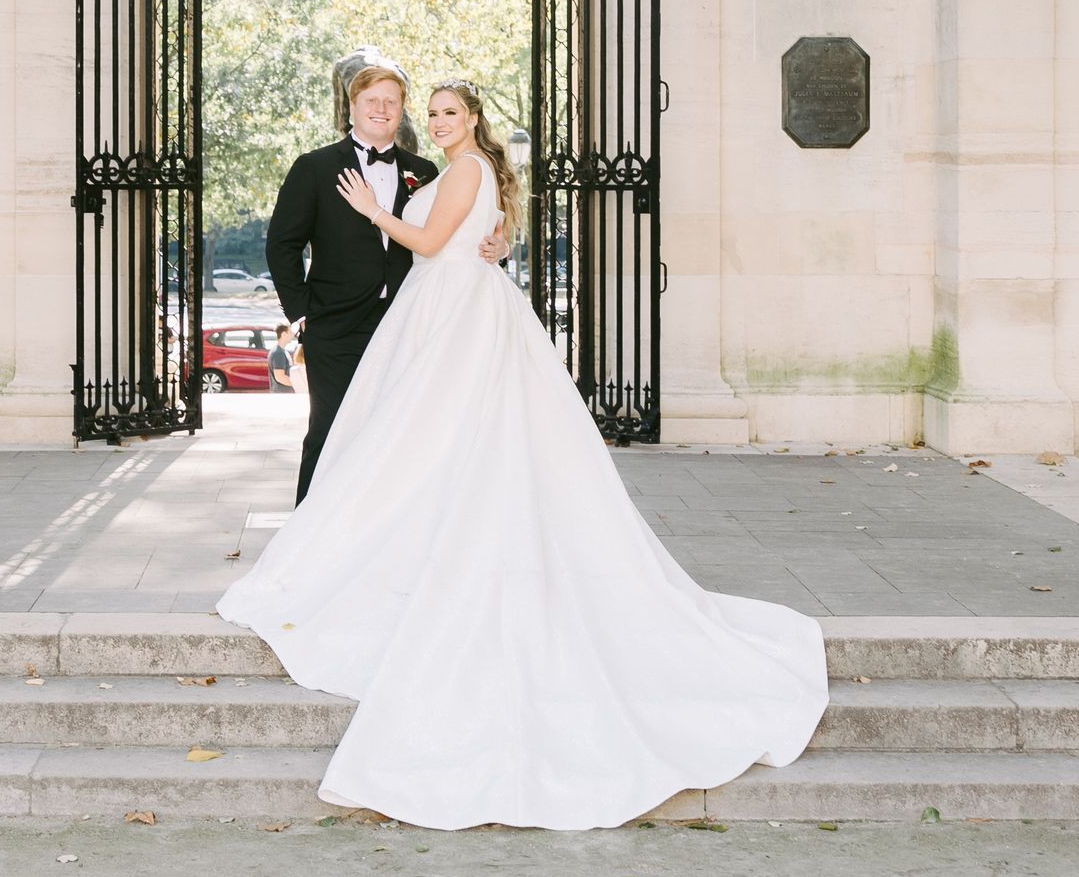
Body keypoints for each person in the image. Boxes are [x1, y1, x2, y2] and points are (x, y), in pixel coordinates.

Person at [223, 77, 828, 830]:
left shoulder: (439, 169)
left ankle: (403, 551)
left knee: (428, 439)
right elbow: (302, 242)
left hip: (441, 313)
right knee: (358, 439)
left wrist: (389, 213)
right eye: (425, 111)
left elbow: (435, 239)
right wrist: (313, 308)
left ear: (469, 117)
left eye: (440, 110)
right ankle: (330, 543)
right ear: (354, 106)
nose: (426, 120)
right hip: (373, 319)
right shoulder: (364, 168)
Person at [262, 59, 500, 501]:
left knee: (399, 436)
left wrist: (496, 244)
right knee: (330, 431)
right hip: (336, 326)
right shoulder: (315, 167)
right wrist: (302, 312)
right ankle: (309, 530)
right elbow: (282, 245)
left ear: (401, 110)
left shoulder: (425, 170)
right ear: (352, 106)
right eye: (371, 100)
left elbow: (458, 228)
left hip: (409, 322)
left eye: (391, 101)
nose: (381, 109)